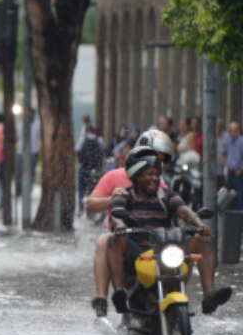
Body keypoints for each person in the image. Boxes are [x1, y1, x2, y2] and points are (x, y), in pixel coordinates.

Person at [107, 146, 232, 315]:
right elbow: (116, 215)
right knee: (114, 239)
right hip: (139, 252)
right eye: (149, 174)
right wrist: (120, 225)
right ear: (137, 176)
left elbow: (184, 211)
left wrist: (199, 224)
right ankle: (119, 292)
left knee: (203, 240)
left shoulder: (166, 195)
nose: (154, 178)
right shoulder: (124, 195)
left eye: (157, 174)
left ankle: (209, 295)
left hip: (166, 249)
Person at [87, 129, 175, 317]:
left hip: (152, 244)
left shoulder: (161, 185)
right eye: (153, 157)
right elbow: (90, 204)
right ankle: (103, 298)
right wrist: (112, 199)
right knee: (104, 240)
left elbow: (173, 211)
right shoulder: (115, 176)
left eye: (161, 159)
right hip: (124, 242)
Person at [76, 125, 104, 213]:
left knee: (81, 188)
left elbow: (78, 150)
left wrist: (81, 160)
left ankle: (81, 207)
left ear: (87, 131)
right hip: (94, 169)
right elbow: (102, 153)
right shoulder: (99, 140)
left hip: (83, 167)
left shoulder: (82, 139)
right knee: (91, 189)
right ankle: (89, 210)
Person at [16, 107, 41, 197]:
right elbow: (17, 137)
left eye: (32, 113)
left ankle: (28, 191)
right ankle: (19, 190)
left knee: (32, 172)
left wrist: (40, 148)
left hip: (33, 151)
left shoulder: (38, 124)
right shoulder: (21, 124)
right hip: (21, 151)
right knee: (19, 172)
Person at [221, 121, 243, 211]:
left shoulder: (241, 141)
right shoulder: (229, 141)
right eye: (231, 130)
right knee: (231, 197)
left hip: (238, 173)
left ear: (239, 130)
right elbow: (223, 154)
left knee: (240, 197)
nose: (233, 132)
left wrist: (241, 170)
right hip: (230, 172)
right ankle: (233, 219)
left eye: (235, 130)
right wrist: (226, 165)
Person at [217, 119, 230, 190]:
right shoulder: (210, 136)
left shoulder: (227, 137)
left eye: (218, 126)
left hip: (223, 169)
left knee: (222, 188)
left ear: (222, 127)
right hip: (213, 169)